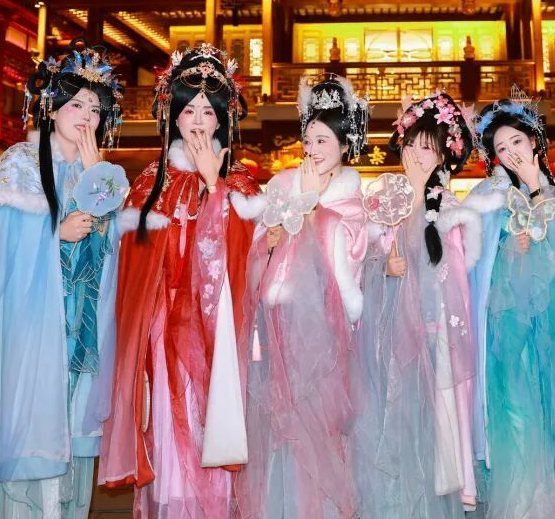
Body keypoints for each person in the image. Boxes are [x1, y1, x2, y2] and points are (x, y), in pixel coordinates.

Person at [0, 39, 127, 519]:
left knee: (68, 419)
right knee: (25, 415)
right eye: (76, 105)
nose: (86, 117)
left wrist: (97, 176)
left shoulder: (97, 168)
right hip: (29, 324)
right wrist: (54, 233)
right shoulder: (21, 162)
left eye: (95, 109)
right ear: (51, 108)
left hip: (78, 324)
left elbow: (112, 248)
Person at [100, 45, 258, 519]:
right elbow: (133, 265)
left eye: (209, 112)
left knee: (214, 412)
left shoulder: (241, 182)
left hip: (217, 324)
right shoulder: (151, 180)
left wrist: (215, 186)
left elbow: (246, 258)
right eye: (189, 111)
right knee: (169, 423)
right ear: (172, 115)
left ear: (224, 118)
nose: (198, 122)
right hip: (162, 324)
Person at [233, 76, 370, 519]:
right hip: (277, 326)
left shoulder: (352, 199)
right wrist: (271, 242)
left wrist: (311, 212)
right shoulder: (280, 185)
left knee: (320, 427)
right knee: (279, 428)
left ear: (345, 144)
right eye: (308, 139)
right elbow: (258, 254)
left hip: (324, 332)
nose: (312, 148)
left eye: (323, 140)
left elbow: (348, 267)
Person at [352, 91, 480, 518]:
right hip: (389, 337)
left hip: (432, 338)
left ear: (444, 156)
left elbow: (452, 278)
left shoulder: (451, 209)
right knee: (392, 423)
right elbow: (363, 266)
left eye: (428, 148)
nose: (417, 154)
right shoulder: (382, 201)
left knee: (430, 429)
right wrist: (384, 269)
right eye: (412, 144)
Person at [465, 88, 555, 519]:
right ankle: (519, 506)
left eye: (517, 141)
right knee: (514, 410)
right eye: (501, 148)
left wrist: (536, 187)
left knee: (550, 407)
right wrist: (507, 248)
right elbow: (472, 260)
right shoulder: (486, 196)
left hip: (549, 323)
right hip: (504, 325)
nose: (511, 152)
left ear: (534, 141)